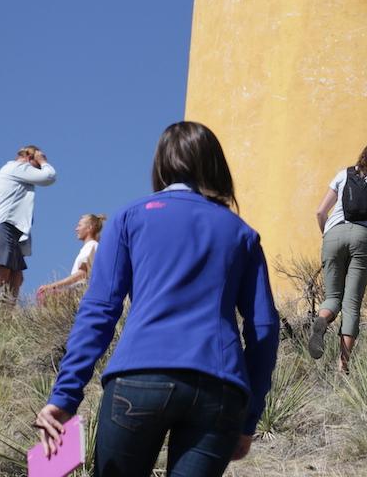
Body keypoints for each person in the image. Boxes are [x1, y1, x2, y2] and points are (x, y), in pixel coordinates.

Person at [34, 122, 279, 477]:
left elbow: (100, 311)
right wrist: (249, 417)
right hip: (219, 385)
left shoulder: (129, 218)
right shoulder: (241, 233)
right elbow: (263, 328)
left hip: (139, 375)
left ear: (161, 164)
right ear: (212, 164)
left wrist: (65, 396)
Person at [308, 141, 367, 371]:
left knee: (332, 297)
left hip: (333, 235)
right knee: (351, 303)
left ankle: (322, 320)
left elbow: (320, 211)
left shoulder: (344, 174)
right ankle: (343, 366)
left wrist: (329, 235)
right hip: (364, 238)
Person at [0, 145, 57, 304]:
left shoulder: (17, 171)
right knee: (1, 275)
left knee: (16, 278)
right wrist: (43, 161)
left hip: (12, 229)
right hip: (4, 226)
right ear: (29, 157)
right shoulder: (16, 167)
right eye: (37, 163)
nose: (39, 167)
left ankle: (4, 319)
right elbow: (49, 177)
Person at [35, 214, 105, 303]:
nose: (76, 229)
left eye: (79, 225)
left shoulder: (91, 245)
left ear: (89, 228)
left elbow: (82, 274)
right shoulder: (91, 246)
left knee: (45, 295)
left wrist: (52, 286)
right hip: (80, 291)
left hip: (82, 292)